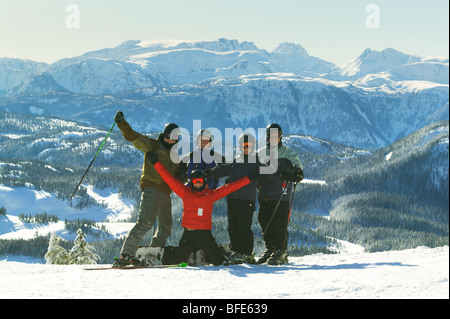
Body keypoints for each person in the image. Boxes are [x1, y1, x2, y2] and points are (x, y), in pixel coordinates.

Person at [146, 149, 259, 266]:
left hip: (205, 235)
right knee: (177, 263)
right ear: (191, 181)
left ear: (204, 181)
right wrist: (155, 162)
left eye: (200, 180)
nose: (198, 183)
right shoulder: (185, 192)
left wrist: (248, 178)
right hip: (188, 234)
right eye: (195, 181)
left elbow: (230, 187)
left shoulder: (210, 195)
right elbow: (167, 177)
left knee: (219, 262)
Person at [112, 111, 181, 267]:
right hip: (152, 189)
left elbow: (175, 175)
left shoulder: (174, 154)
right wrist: (122, 123)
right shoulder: (152, 145)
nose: (171, 141)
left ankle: (154, 252)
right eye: (169, 137)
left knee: (165, 225)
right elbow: (133, 137)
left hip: (165, 193)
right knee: (145, 222)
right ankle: (126, 254)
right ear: (164, 135)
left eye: (174, 139)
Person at [206, 133, 262, 264]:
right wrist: (210, 172)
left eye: (248, 145)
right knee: (233, 227)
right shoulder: (238, 161)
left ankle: (247, 253)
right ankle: (237, 251)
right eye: (243, 145)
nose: (246, 147)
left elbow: (262, 179)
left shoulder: (258, 163)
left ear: (254, 146)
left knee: (243, 227)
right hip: (232, 198)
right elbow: (226, 169)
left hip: (246, 199)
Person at [256, 123, 303, 265]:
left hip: (281, 194)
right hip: (265, 194)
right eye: (271, 136)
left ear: (280, 136)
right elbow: (254, 171)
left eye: (276, 136)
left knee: (279, 223)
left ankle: (281, 251)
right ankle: (270, 248)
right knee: (265, 221)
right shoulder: (261, 153)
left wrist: (295, 174)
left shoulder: (287, 152)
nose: (274, 138)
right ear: (267, 136)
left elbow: (298, 167)